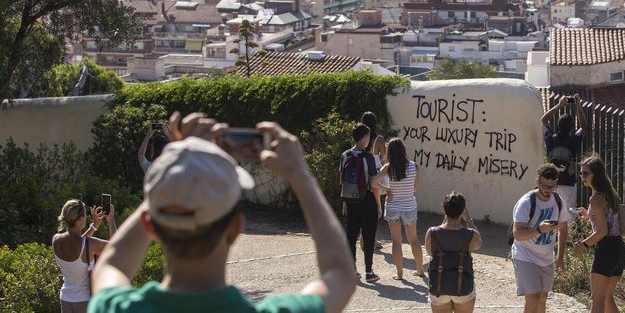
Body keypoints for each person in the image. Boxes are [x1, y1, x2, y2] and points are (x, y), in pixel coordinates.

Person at [89, 112, 356, 313]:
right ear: (236, 228)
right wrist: (300, 174)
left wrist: (176, 165)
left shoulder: (117, 308)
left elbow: (111, 264)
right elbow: (340, 275)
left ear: (150, 225)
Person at [511, 163, 570, 313]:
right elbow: (517, 234)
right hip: (525, 256)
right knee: (533, 297)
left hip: (546, 257)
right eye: (545, 186)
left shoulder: (557, 201)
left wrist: (560, 257)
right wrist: (538, 229)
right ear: (537, 182)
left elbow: (563, 229)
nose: (549, 191)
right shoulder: (526, 203)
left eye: (552, 187)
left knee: (543, 298)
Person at [573, 156, 625, 313]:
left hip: (606, 249)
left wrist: (583, 245)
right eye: (581, 173)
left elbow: (602, 231)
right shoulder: (610, 194)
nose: (582, 176)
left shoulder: (595, 198)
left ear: (596, 174)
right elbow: (608, 220)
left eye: (585, 173)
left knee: (597, 302)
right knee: (608, 298)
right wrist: (588, 216)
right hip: (619, 248)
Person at [53, 199, 116, 313]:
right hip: (84, 302)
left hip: (65, 299)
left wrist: (95, 226)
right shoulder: (90, 244)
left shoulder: (56, 240)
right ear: (81, 219)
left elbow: (78, 243)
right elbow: (117, 248)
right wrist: (111, 220)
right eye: (85, 216)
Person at [374, 138, 424, 279]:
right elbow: (415, 187)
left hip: (393, 206)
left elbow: (373, 182)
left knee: (396, 240)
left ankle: (399, 273)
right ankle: (420, 270)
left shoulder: (388, 167)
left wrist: (386, 188)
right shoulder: (414, 166)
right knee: (413, 239)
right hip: (409, 206)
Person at [424, 192, 482, 313]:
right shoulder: (471, 234)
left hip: (439, 287)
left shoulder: (432, 233)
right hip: (463, 287)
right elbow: (478, 244)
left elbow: (430, 252)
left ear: (445, 210)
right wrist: (469, 220)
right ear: (463, 211)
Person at [340, 122, 381, 283]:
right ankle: (369, 271)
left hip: (350, 200)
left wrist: (344, 201)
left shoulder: (345, 155)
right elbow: (373, 183)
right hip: (367, 200)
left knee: (351, 234)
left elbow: (342, 180)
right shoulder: (368, 157)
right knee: (368, 235)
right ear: (365, 138)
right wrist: (378, 204)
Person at [540, 94, 587, 210]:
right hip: (569, 182)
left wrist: (559, 105)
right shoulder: (573, 140)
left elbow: (544, 120)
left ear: (557, 125)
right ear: (571, 127)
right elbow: (584, 127)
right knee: (568, 214)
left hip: (551, 181)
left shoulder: (550, 138)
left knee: (551, 211)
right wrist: (578, 106)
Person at [361, 111, 386, 250]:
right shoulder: (379, 139)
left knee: (364, 205)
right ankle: (370, 239)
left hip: (361, 173)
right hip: (375, 174)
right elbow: (384, 157)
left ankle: (363, 237)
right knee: (376, 207)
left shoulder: (358, 137)